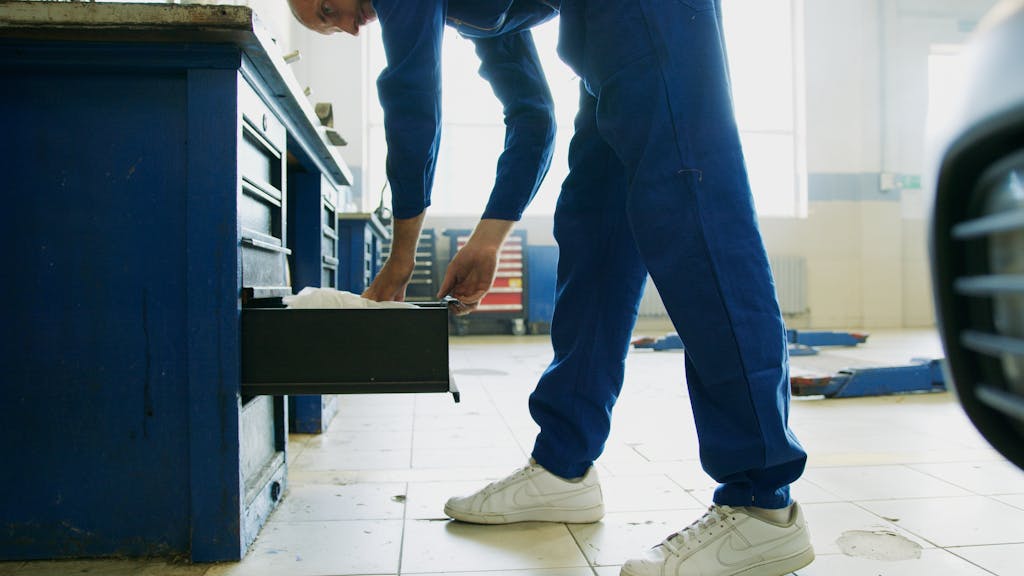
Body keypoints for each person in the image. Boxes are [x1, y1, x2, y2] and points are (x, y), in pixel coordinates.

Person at [289, 1, 815, 575]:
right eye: (325, 28)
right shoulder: (470, 9)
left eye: (324, 9)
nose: (342, 25)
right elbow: (533, 114)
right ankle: (565, 465)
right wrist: (489, 239)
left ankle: (762, 503)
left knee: (690, 200)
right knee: (595, 228)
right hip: (600, 22)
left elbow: (412, 94)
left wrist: (402, 258)